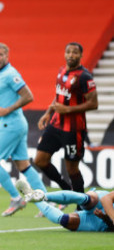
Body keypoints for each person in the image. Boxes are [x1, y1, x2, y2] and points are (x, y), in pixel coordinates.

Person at [0, 43, 47, 217]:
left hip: (10, 123)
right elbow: (1, 94)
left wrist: (7, 110)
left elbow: (28, 96)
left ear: (7, 56)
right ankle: (46, 201)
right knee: (23, 165)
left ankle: (15, 197)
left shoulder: (10, 74)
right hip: (15, 123)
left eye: (1, 55)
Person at [33, 42, 98, 194]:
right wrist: (48, 112)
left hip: (73, 130)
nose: (71, 55)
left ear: (81, 55)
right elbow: (59, 97)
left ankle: (81, 205)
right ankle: (66, 189)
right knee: (40, 160)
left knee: (72, 169)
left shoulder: (85, 77)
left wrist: (68, 109)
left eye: (75, 52)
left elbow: (94, 103)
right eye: (68, 52)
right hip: (55, 125)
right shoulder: (62, 71)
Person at [16, 178, 114, 232]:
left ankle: (31, 196)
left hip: (102, 223)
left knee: (65, 220)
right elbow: (106, 199)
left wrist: (105, 218)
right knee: (89, 199)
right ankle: (42, 196)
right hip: (103, 202)